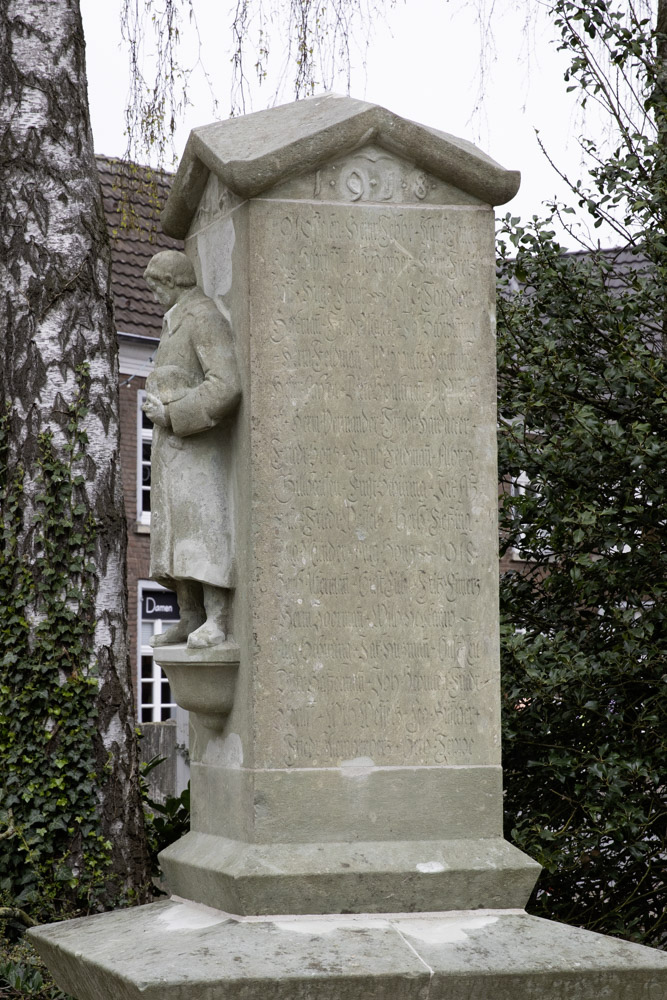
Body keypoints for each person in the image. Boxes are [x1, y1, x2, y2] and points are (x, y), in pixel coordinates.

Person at [142, 250, 241, 648]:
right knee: (174, 536)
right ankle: (190, 615)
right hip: (173, 452)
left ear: (173, 283)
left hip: (197, 448)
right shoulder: (172, 323)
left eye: (155, 289)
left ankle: (216, 618)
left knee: (202, 532)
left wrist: (172, 412)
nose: (152, 298)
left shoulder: (203, 318)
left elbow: (226, 385)